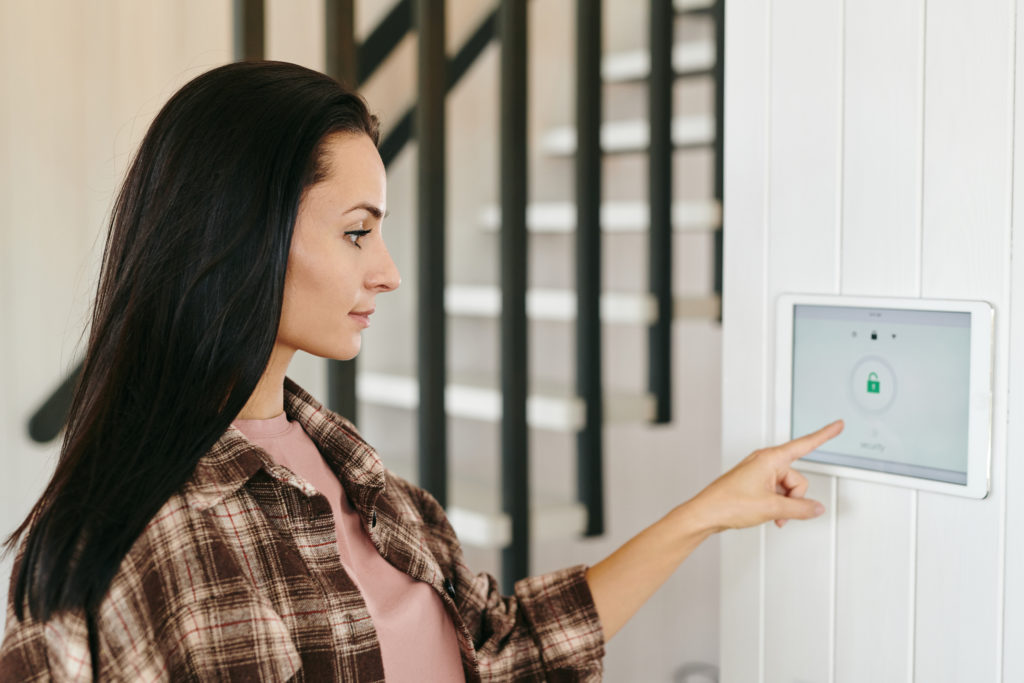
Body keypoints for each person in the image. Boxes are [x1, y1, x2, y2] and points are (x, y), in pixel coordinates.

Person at [0, 61, 841, 681]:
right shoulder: (118, 547)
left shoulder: (353, 473)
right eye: (358, 231)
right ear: (242, 233)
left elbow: (502, 649)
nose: (389, 271)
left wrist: (708, 510)